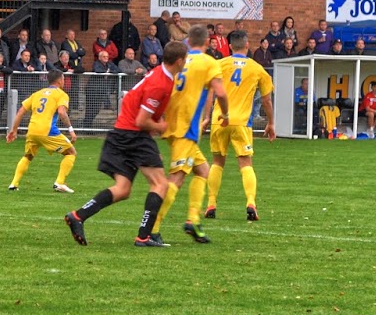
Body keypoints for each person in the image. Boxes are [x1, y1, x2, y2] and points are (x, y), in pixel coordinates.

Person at [64, 41, 187, 248]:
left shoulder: (160, 74)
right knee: (160, 184)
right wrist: (163, 126)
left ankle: (78, 216)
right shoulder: (161, 83)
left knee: (122, 189)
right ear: (180, 61)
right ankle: (144, 237)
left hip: (122, 132)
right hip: (133, 134)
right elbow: (142, 121)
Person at [156, 25, 230, 244]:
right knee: (177, 178)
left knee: (202, 170)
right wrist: (225, 113)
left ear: (188, 42)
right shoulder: (209, 62)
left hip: (173, 122)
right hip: (185, 128)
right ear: (208, 42)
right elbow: (220, 92)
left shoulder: (180, 60)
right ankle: (153, 227)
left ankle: (193, 220)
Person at [204, 30, 275, 223]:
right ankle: (251, 202)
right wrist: (271, 123)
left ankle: (211, 204)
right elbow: (267, 101)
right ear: (247, 45)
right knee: (245, 163)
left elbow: (209, 93)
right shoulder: (257, 68)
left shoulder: (219, 64)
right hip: (242, 123)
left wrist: (205, 117)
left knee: (217, 162)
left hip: (220, 120)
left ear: (229, 47)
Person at [5, 67, 78, 194]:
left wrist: (14, 130)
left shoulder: (37, 93)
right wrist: (71, 129)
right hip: (48, 130)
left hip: (32, 130)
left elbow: (21, 111)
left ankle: (13, 184)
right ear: (60, 80)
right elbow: (62, 112)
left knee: (28, 156)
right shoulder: (61, 94)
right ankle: (59, 183)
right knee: (71, 152)